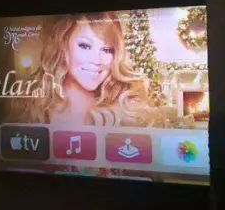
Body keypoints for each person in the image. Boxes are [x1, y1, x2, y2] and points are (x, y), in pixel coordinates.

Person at [12, 12, 161, 127]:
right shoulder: (34, 106)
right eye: (85, 46)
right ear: (64, 46)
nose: (97, 60)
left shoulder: (125, 111)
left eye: (107, 50)